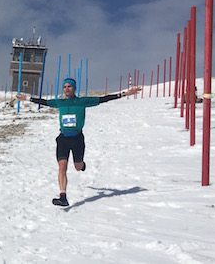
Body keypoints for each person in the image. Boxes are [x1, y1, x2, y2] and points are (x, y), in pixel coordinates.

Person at [16, 78, 142, 207]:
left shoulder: (82, 101)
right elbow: (44, 102)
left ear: (74, 88)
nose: (66, 89)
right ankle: (63, 196)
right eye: (64, 87)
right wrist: (27, 98)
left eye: (69, 86)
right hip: (63, 138)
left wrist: (125, 93)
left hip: (77, 139)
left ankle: (82, 165)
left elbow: (104, 99)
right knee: (62, 167)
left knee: (77, 167)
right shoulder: (60, 103)